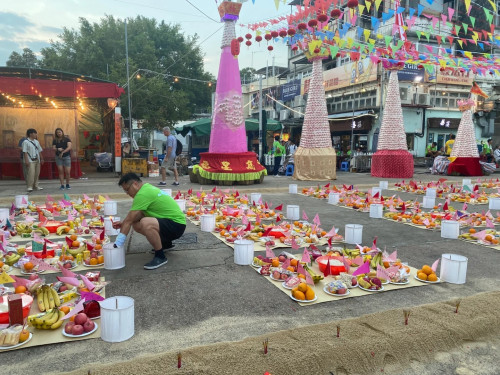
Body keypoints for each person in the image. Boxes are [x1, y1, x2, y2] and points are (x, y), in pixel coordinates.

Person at [114, 173, 186, 270]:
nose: (127, 193)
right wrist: (124, 223)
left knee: (146, 223)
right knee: (137, 223)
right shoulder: (147, 188)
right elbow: (134, 217)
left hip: (176, 225)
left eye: (127, 189)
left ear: (135, 184)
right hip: (175, 224)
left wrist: (117, 245)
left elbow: (129, 220)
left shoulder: (142, 194)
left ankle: (160, 256)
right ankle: (165, 244)